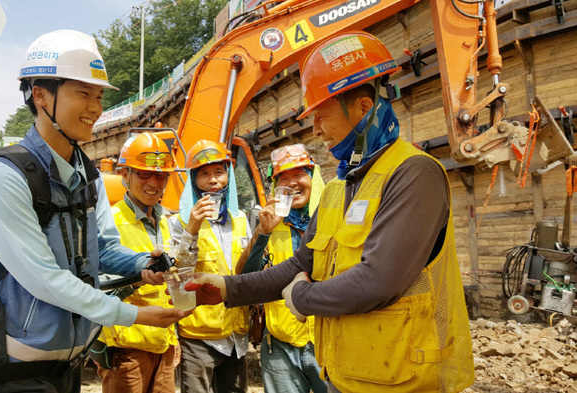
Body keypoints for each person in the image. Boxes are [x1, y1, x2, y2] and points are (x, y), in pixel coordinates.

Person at [185, 31, 475, 392]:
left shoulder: (414, 172)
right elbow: (298, 266)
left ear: (364, 108)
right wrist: (227, 288)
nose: (316, 129)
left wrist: (300, 298)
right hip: (347, 374)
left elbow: (378, 282)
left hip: (405, 379)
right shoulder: (339, 189)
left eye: (321, 115)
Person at [0, 30, 190, 392]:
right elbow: (45, 278)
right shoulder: (1, 178)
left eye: (99, 96)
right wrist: (134, 315)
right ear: (40, 95)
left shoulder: (87, 176)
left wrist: (140, 264)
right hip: (13, 369)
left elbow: (102, 249)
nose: (96, 108)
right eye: (83, 93)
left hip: (67, 363)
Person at [235, 144, 326, 393]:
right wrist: (262, 233)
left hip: (329, 341)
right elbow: (245, 279)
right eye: (282, 178)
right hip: (280, 346)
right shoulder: (271, 224)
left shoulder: (335, 218)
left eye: (298, 175)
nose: (291, 183)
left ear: (313, 176)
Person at [95, 132, 179, 393]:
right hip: (126, 347)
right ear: (124, 174)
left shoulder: (166, 221)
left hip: (163, 343)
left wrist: (174, 340)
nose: (154, 182)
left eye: (161, 175)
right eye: (144, 174)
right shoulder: (110, 223)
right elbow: (100, 291)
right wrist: (137, 279)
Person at [167, 140, 251, 393]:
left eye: (218, 172)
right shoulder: (177, 222)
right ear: (193, 180)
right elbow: (178, 276)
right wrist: (192, 227)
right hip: (198, 335)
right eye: (204, 173)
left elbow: (246, 271)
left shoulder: (240, 219)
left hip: (236, 334)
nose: (213, 180)